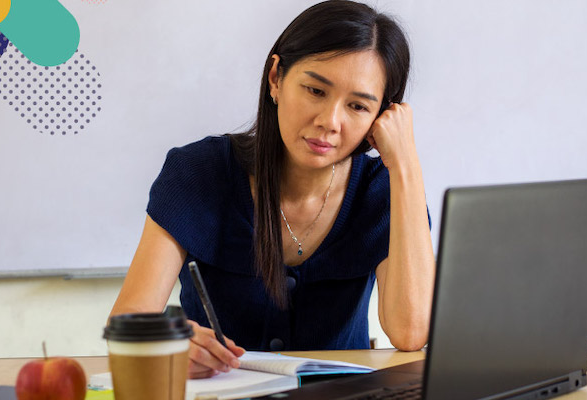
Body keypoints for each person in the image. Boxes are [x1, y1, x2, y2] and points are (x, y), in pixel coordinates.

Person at [109, 0, 434, 379]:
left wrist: (406, 165)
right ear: (276, 77)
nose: (330, 121)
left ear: (382, 116)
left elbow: (411, 332)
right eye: (315, 90)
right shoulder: (199, 172)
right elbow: (129, 324)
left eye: (358, 107)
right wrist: (168, 341)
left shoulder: (382, 189)